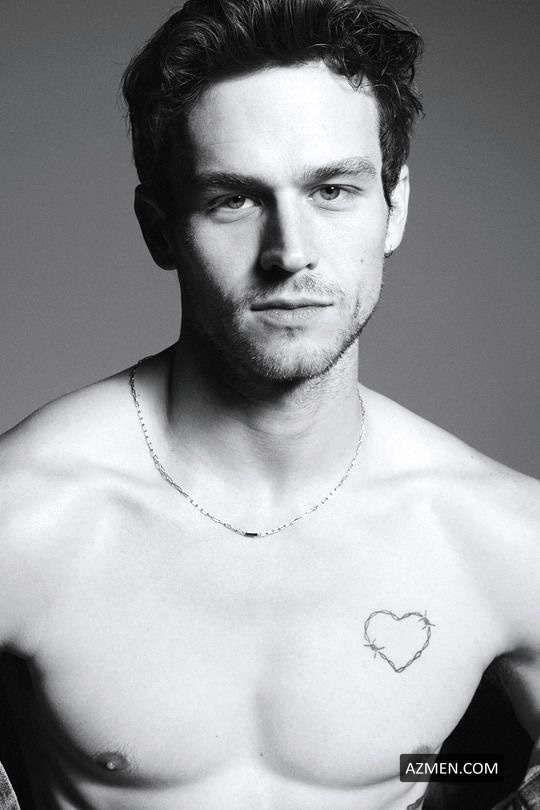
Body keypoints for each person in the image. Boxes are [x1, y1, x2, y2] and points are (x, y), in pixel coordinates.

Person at [0, 0, 538, 808]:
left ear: (394, 208)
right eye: (234, 199)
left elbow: (466, 775)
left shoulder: (504, 540)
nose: (290, 252)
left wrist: (450, 781)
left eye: (333, 189)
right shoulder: (27, 516)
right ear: (160, 228)